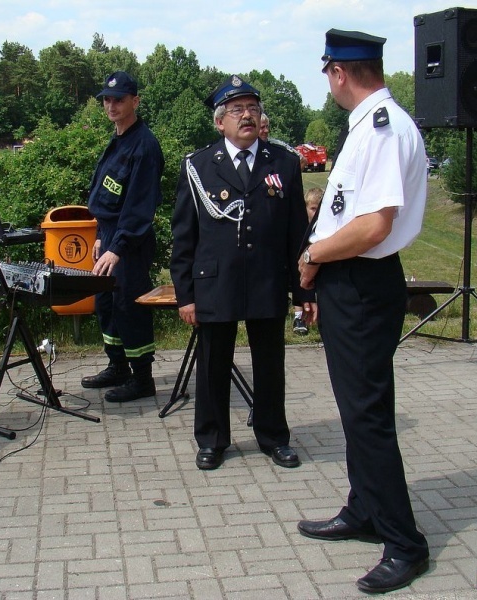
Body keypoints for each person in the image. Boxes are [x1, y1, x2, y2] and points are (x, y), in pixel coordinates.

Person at [296, 30, 430, 593]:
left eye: (326, 72)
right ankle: (364, 509)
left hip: (361, 281)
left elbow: (374, 226)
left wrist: (312, 255)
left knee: (368, 415)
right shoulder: (374, 124)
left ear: (338, 73)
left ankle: (404, 542)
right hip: (353, 280)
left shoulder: (382, 128)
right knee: (357, 410)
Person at [170, 75, 315, 470]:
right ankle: (213, 439)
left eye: (253, 108)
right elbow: (184, 235)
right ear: (220, 122)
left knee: (270, 364)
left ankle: (273, 436)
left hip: (267, 279)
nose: (248, 115)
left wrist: (304, 293)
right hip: (215, 282)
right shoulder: (198, 166)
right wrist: (185, 295)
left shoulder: (283, 162)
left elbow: (296, 235)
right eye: (237, 110)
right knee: (213, 363)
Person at [81, 71, 164, 403]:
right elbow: (107, 196)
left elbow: (139, 206)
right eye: (107, 99)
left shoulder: (144, 145)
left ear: (135, 101)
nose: (111, 105)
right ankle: (118, 367)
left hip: (131, 241)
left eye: (119, 99)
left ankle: (142, 378)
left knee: (129, 307)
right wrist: (102, 236)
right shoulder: (118, 139)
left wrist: (117, 247)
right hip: (110, 236)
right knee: (106, 304)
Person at [292, 187, 322, 335]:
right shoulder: (301, 227)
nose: (316, 213)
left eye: (318, 209)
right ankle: (298, 317)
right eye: (312, 208)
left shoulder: (323, 228)